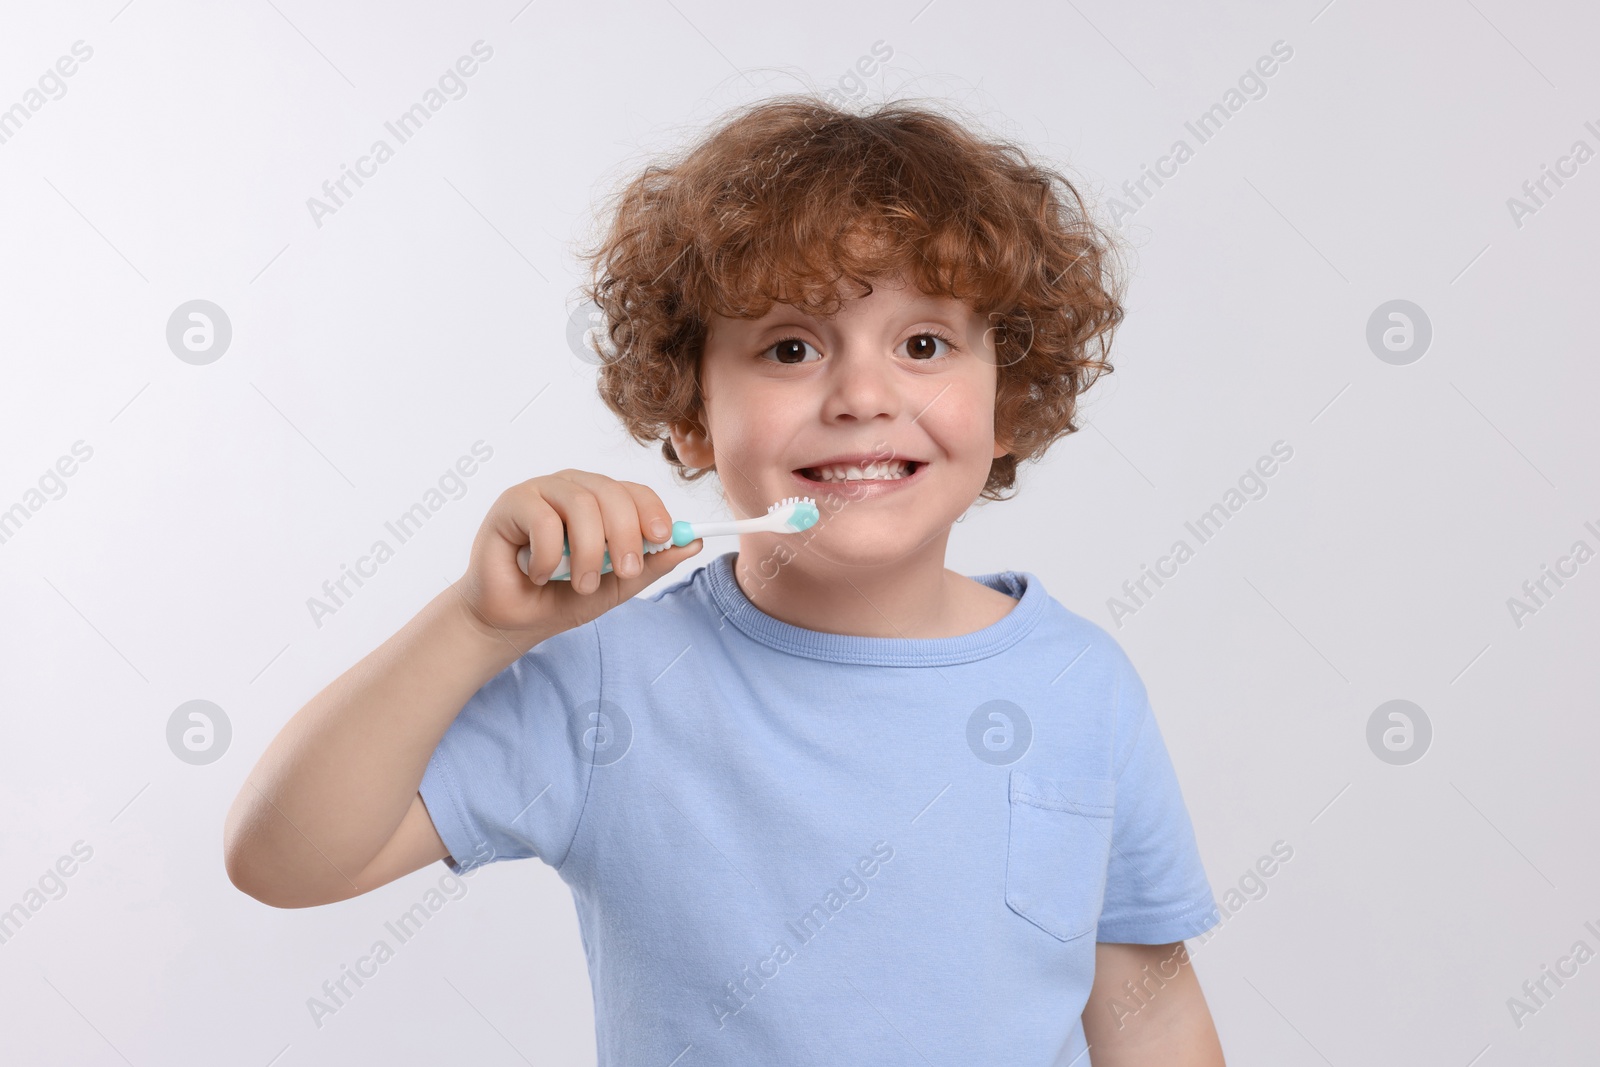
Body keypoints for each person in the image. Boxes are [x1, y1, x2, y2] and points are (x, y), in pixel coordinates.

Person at [225, 94, 1226, 1065]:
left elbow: (1148, 1009)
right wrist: (476, 626)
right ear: (692, 415)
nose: (863, 396)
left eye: (923, 344)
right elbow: (282, 857)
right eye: (790, 346)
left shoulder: (1081, 684)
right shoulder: (611, 683)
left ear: (1007, 401)